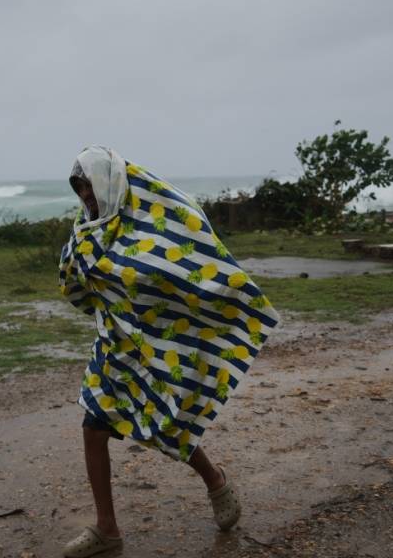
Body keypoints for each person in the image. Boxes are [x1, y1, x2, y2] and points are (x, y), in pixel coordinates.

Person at [58, 146, 280, 557]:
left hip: (158, 343)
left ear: (108, 180)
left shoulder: (155, 222)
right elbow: (77, 279)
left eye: (90, 185)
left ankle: (215, 481)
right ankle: (107, 530)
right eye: (79, 188)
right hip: (114, 345)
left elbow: (186, 264)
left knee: (165, 420)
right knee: (93, 427)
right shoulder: (87, 228)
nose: (85, 194)